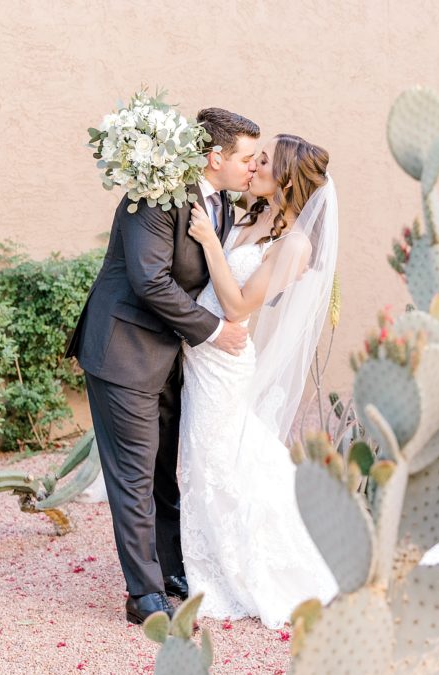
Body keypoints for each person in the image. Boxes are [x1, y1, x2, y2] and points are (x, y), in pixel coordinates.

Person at [65, 108, 258, 625]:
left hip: (172, 357)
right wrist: (216, 333)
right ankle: (143, 595)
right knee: (133, 475)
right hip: (124, 351)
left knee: (161, 474)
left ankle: (173, 570)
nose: (252, 168)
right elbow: (150, 280)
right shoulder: (154, 192)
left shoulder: (222, 206)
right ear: (215, 156)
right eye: (246, 157)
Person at [178, 133, 339, 627]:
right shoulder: (253, 215)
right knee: (209, 460)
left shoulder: (296, 244)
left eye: (264, 161)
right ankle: (203, 559)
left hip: (224, 357)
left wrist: (208, 243)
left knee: (216, 464)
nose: (254, 167)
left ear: (287, 176)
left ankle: (238, 569)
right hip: (200, 352)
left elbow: (238, 305)